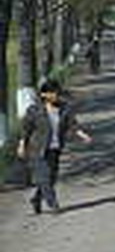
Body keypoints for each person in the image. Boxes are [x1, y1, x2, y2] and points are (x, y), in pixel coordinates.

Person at [16, 80, 93, 215]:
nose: (55, 95)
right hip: (37, 149)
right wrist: (22, 145)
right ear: (44, 94)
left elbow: (72, 124)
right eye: (52, 92)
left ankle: (36, 199)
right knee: (44, 176)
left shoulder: (64, 108)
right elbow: (26, 129)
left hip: (55, 148)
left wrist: (82, 135)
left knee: (51, 178)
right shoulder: (35, 110)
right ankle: (53, 204)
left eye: (56, 92)